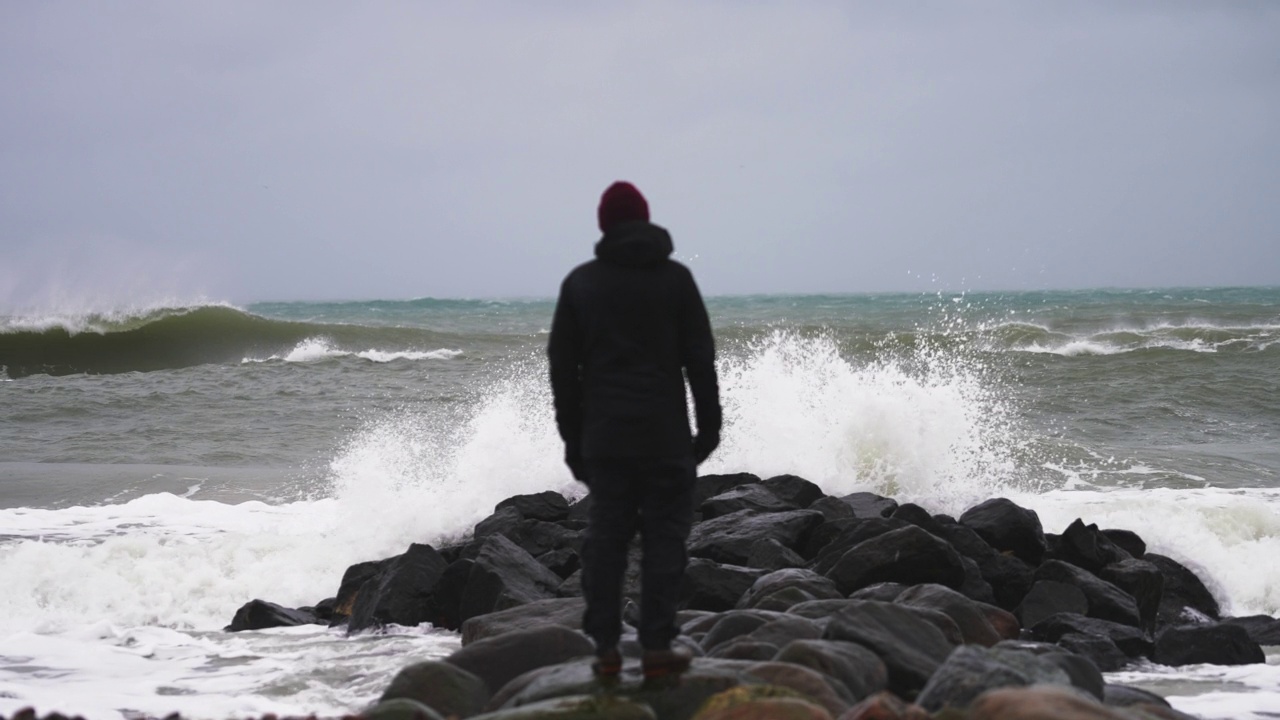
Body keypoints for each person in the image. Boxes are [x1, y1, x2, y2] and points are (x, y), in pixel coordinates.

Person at [548, 181, 722, 680]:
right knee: (665, 539)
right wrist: (708, 431)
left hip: (605, 438)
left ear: (604, 225)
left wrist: (572, 440)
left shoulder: (582, 283)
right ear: (644, 220)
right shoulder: (676, 280)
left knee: (607, 539)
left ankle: (604, 647)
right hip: (666, 435)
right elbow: (700, 361)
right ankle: (657, 645)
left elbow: (562, 370)